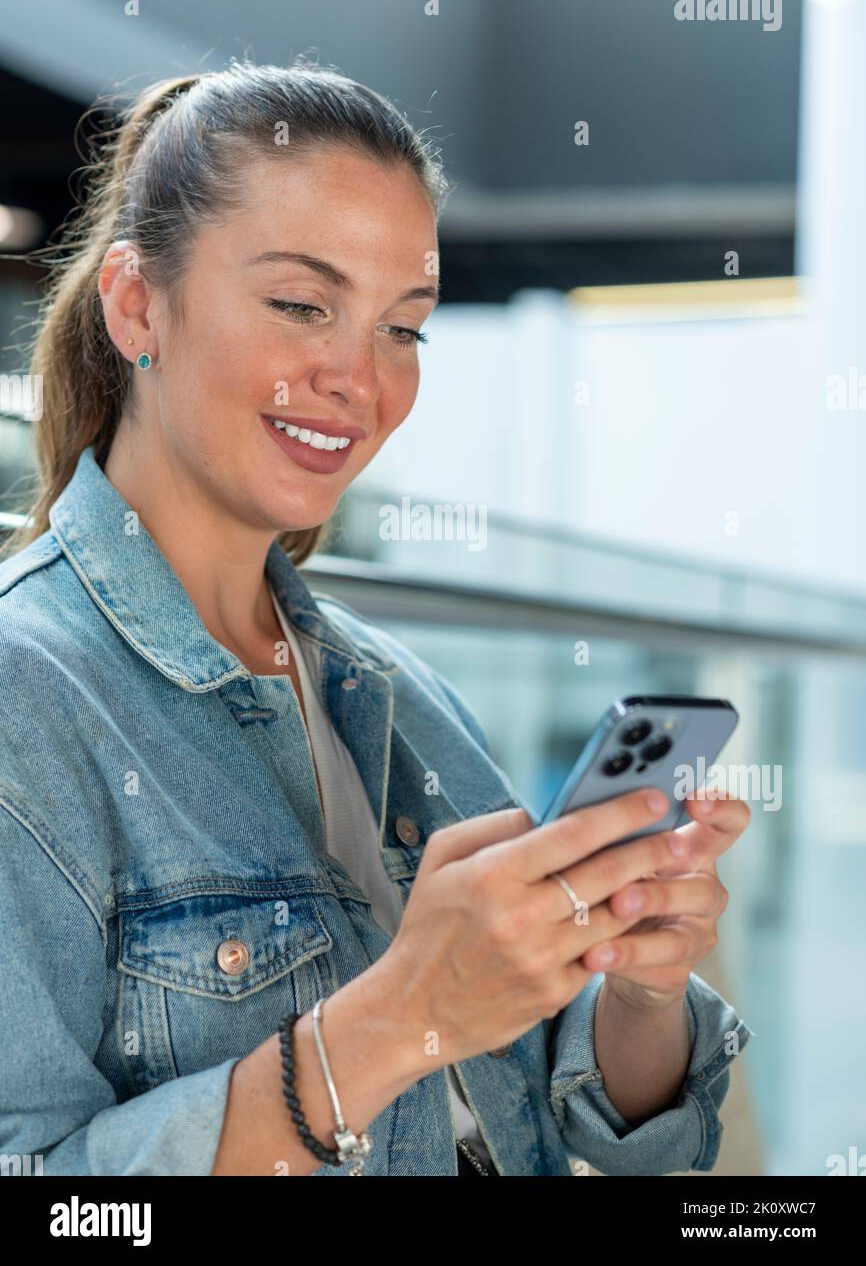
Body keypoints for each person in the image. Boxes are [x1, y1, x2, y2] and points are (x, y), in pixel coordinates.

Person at [0, 60, 753, 1176]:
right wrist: (396, 1019)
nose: (360, 378)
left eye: (404, 328)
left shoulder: (400, 693)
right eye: (303, 304)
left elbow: (593, 1126)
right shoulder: (29, 697)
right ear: (134, 304)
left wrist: (636, 984)